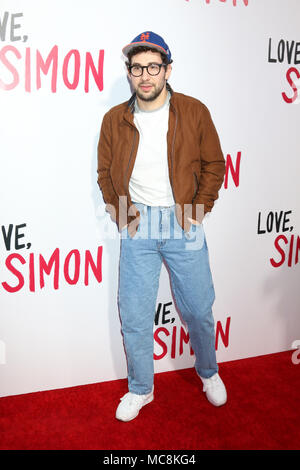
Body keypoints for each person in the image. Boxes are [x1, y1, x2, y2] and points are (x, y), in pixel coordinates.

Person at [97, 31, 227, 422]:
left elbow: (214, 164)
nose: (145, 75)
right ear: (129, 74)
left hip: (182, 220)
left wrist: (199, 208)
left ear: (167, 70)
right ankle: (141, 388)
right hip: (138, 224)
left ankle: (209, 372)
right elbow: (104, 173)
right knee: (135, 313)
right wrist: (122, 213)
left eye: (153, 66)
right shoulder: (114, 119)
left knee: (199, 308)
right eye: (137, 68)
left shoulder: (194, 111)